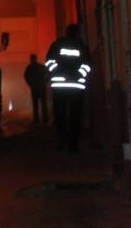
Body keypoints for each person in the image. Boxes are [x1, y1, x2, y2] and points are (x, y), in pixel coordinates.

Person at [45, 24, 91, 152]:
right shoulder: (81, 46)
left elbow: (49, 62)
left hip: (59, 86)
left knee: (60, 115)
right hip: (76, 86)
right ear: (77, 33)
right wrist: (78, 74)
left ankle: (62, 140)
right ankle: (73, 145)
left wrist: (57, 72)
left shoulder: (57, 45)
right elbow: (87, 65)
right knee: (75, 116)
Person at [23, 53, 49, 124]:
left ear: (31, 59)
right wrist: (45, 82)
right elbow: (48, 73)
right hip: (42, 87)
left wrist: (30, 84)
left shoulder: (30, 67)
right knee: (43, 104)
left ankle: (36, 119)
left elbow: (26, 76)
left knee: (35, 104)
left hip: (34, 88)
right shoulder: (40, 66)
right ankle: (45, 119)